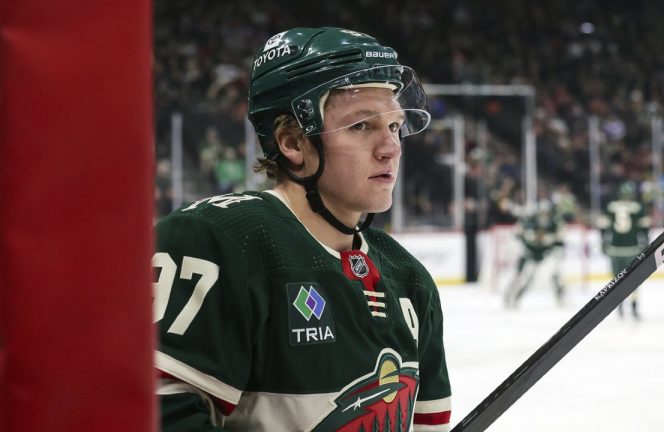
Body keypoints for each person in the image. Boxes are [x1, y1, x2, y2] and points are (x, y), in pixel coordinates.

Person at [152, 27, 452, 431]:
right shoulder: (216, 241)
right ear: (293, 142)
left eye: (395, 126)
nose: (391, 147)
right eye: (362, 126)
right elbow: (150, 416)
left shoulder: (409, 280)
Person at [597, 181, 651, 320]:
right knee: (633, 281)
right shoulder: (637, 207)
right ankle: (633, 307)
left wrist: (603, 241)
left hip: (615, 249)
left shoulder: (611, 207)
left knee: (616, 281)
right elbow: (645, 227)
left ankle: (620, 305)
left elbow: (602, 226)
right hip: (632, 249)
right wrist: (645, 242)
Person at [503, 202, 566, 308]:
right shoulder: (529, 221)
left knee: (555, 274)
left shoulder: (554, 222)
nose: (544, 215)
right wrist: (530, 237)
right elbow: (517, 233)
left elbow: (561, 239)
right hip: (530, 253)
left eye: (546, 213)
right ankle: (511, 297)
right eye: (542, 213)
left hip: (546, 253)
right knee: (523, 278)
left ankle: (562, 297)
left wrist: (550, 239)